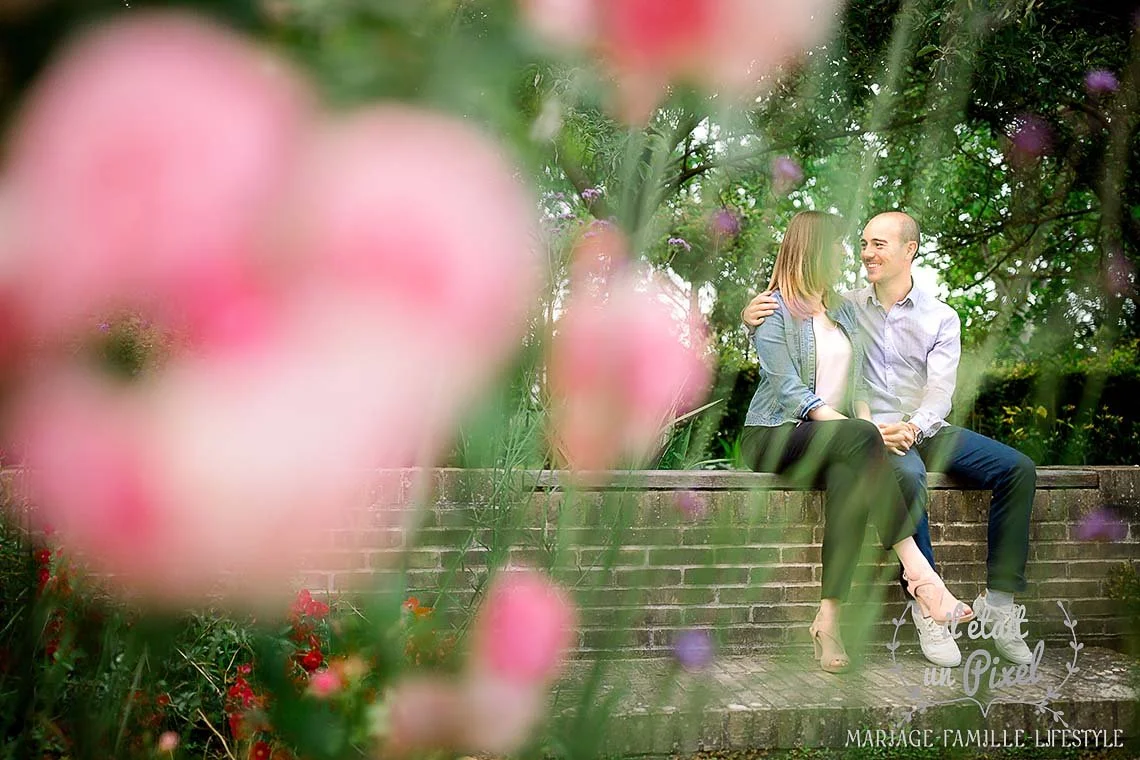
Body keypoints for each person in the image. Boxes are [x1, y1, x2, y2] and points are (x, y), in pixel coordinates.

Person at [742, 211, 1037, 669]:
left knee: (1016, 468)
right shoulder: (822, 305)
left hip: (904, 428)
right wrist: (750, 318)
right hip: (823, 431)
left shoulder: (901, 313)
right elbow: (786, 385)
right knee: (905, 477)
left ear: (909, 250)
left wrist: (906, 427)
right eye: (857, 245)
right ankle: (926, 594)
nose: (861, 254)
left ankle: (995, 605)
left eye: (876, 245)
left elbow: (927, 391)